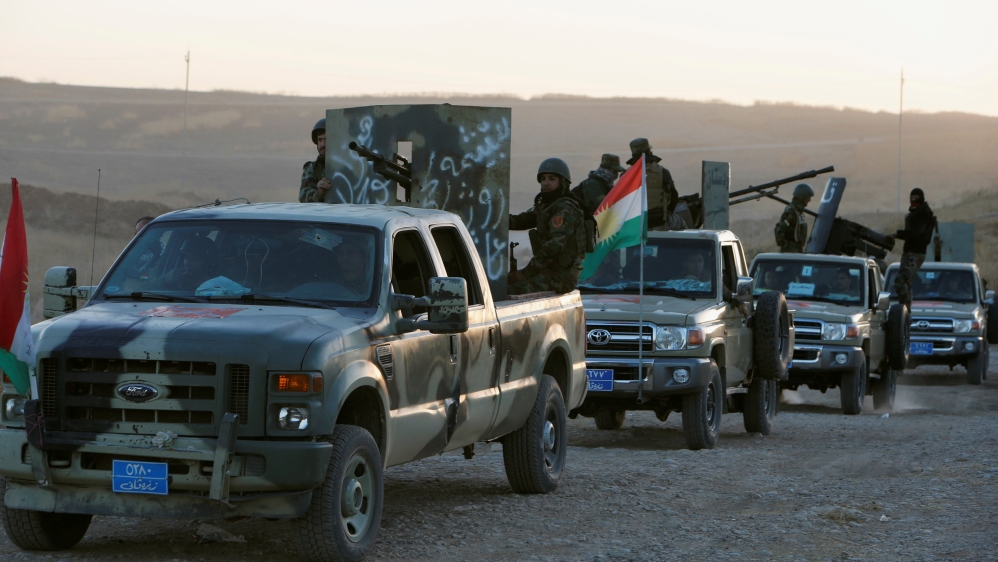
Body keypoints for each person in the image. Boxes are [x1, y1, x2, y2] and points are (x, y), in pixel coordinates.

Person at [508, 158, 586, 295]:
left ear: (562, 182)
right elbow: (520, 221)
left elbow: (553, 246)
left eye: (552, 179)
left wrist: (525, 273)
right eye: (543, 178)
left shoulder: (564, 208)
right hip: (548, 272)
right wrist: (494, 217)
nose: (545, 182)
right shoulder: (547, 206)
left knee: (510, 290)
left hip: (561, 277)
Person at [627, 138, 685, 231]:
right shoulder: (663, 172)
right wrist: (668, 213)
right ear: (649, 151)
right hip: (659, 221)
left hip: (636, 222)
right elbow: (674, 196)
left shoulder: (625, 175)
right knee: (682, 223)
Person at [891, 188, 936, 307]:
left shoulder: (923, 213)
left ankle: (904, 308)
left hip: (915, 252)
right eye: (911, 198)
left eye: (916, 198)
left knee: (900, 281)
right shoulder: (917, 212)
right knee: (905, 283)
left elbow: (916, 233)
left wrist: (898, 234)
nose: (913, 201)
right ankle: (906, 309)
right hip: (911, 251)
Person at [775, 183, 814, 253]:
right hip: (790, 251)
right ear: (802, 198)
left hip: (796, 249)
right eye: (808, 197)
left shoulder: (798, 212)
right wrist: (785, 246)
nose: (809, 200)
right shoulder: (791, 212)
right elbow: (780, 229)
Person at [299, 118, 330, 203]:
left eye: (326, 139)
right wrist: (319, 193)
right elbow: (303, 196)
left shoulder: (346, 166)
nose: (323, 144)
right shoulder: (312, 169)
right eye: (320, 140)